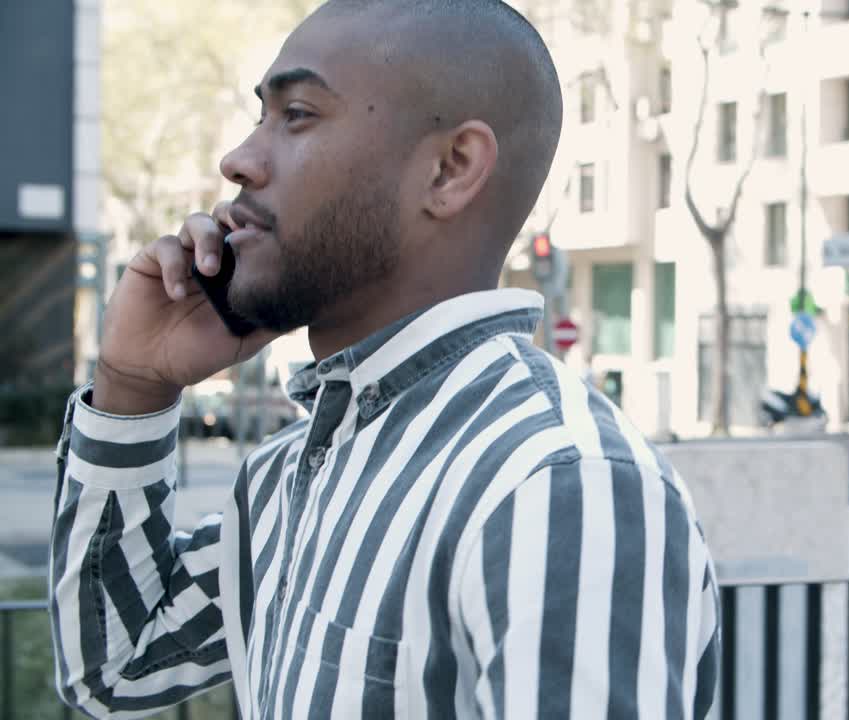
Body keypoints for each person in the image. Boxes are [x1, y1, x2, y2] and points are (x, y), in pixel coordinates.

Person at [48, 1, 720, 717]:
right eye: (260, 118)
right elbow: (113, 667)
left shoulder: (554, 484)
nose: (238, 160)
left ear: (450, 169)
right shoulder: (288, 475)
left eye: (297, 114)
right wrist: (133, 385)